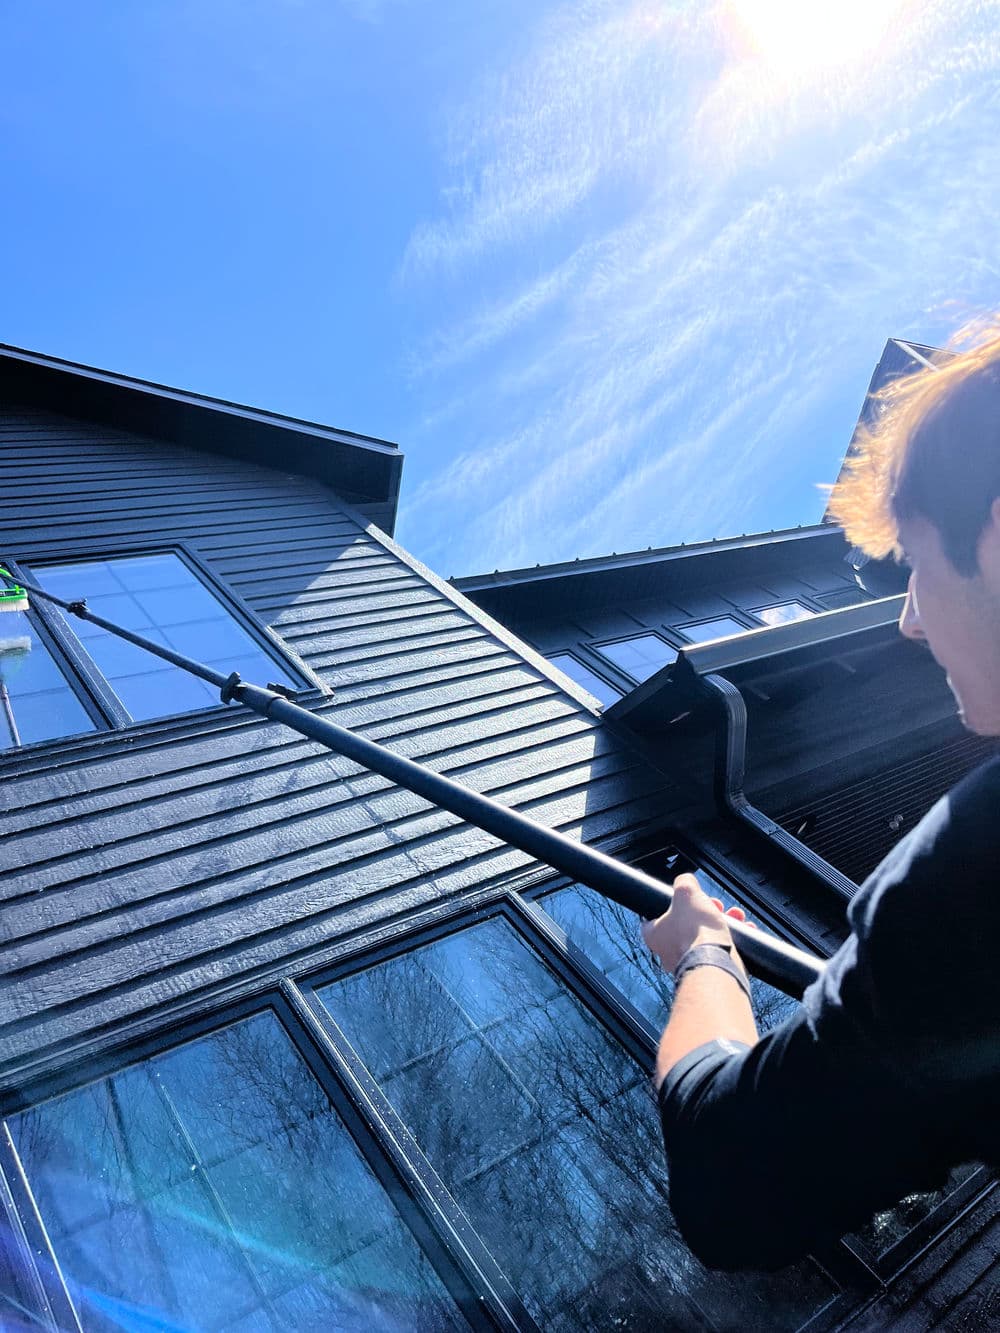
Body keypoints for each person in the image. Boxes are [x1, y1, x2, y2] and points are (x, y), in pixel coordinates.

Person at [641, 329, 1000, 1270]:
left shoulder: (978, 868)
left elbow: (731, 1180)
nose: (910, 620)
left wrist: (703, 954)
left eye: (916, 566)